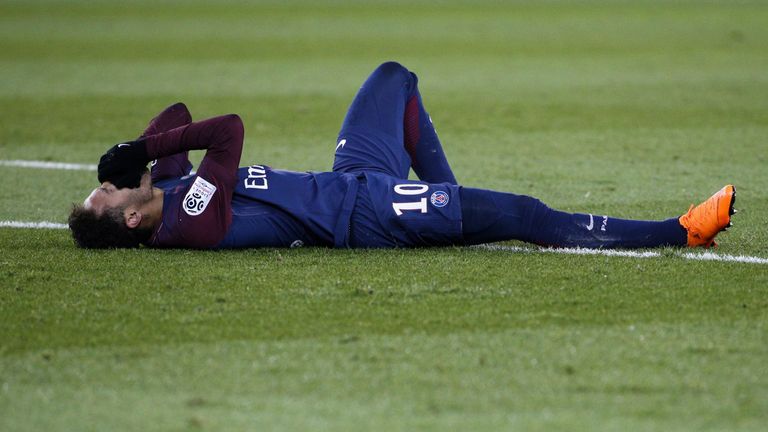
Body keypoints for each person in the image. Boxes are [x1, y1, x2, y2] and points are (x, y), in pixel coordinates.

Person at [68, 62, 736, 250]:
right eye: (104, 194)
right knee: (525, 214)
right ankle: (682, 230)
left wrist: (135, 153)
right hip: (367, 216)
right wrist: (143, 152)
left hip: (353, 181)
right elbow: (226, 131)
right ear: (129, 221)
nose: (105, 184)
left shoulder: (165, 189)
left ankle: (453, 204)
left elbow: (177, 119)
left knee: (394, 78)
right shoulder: (186, 219)